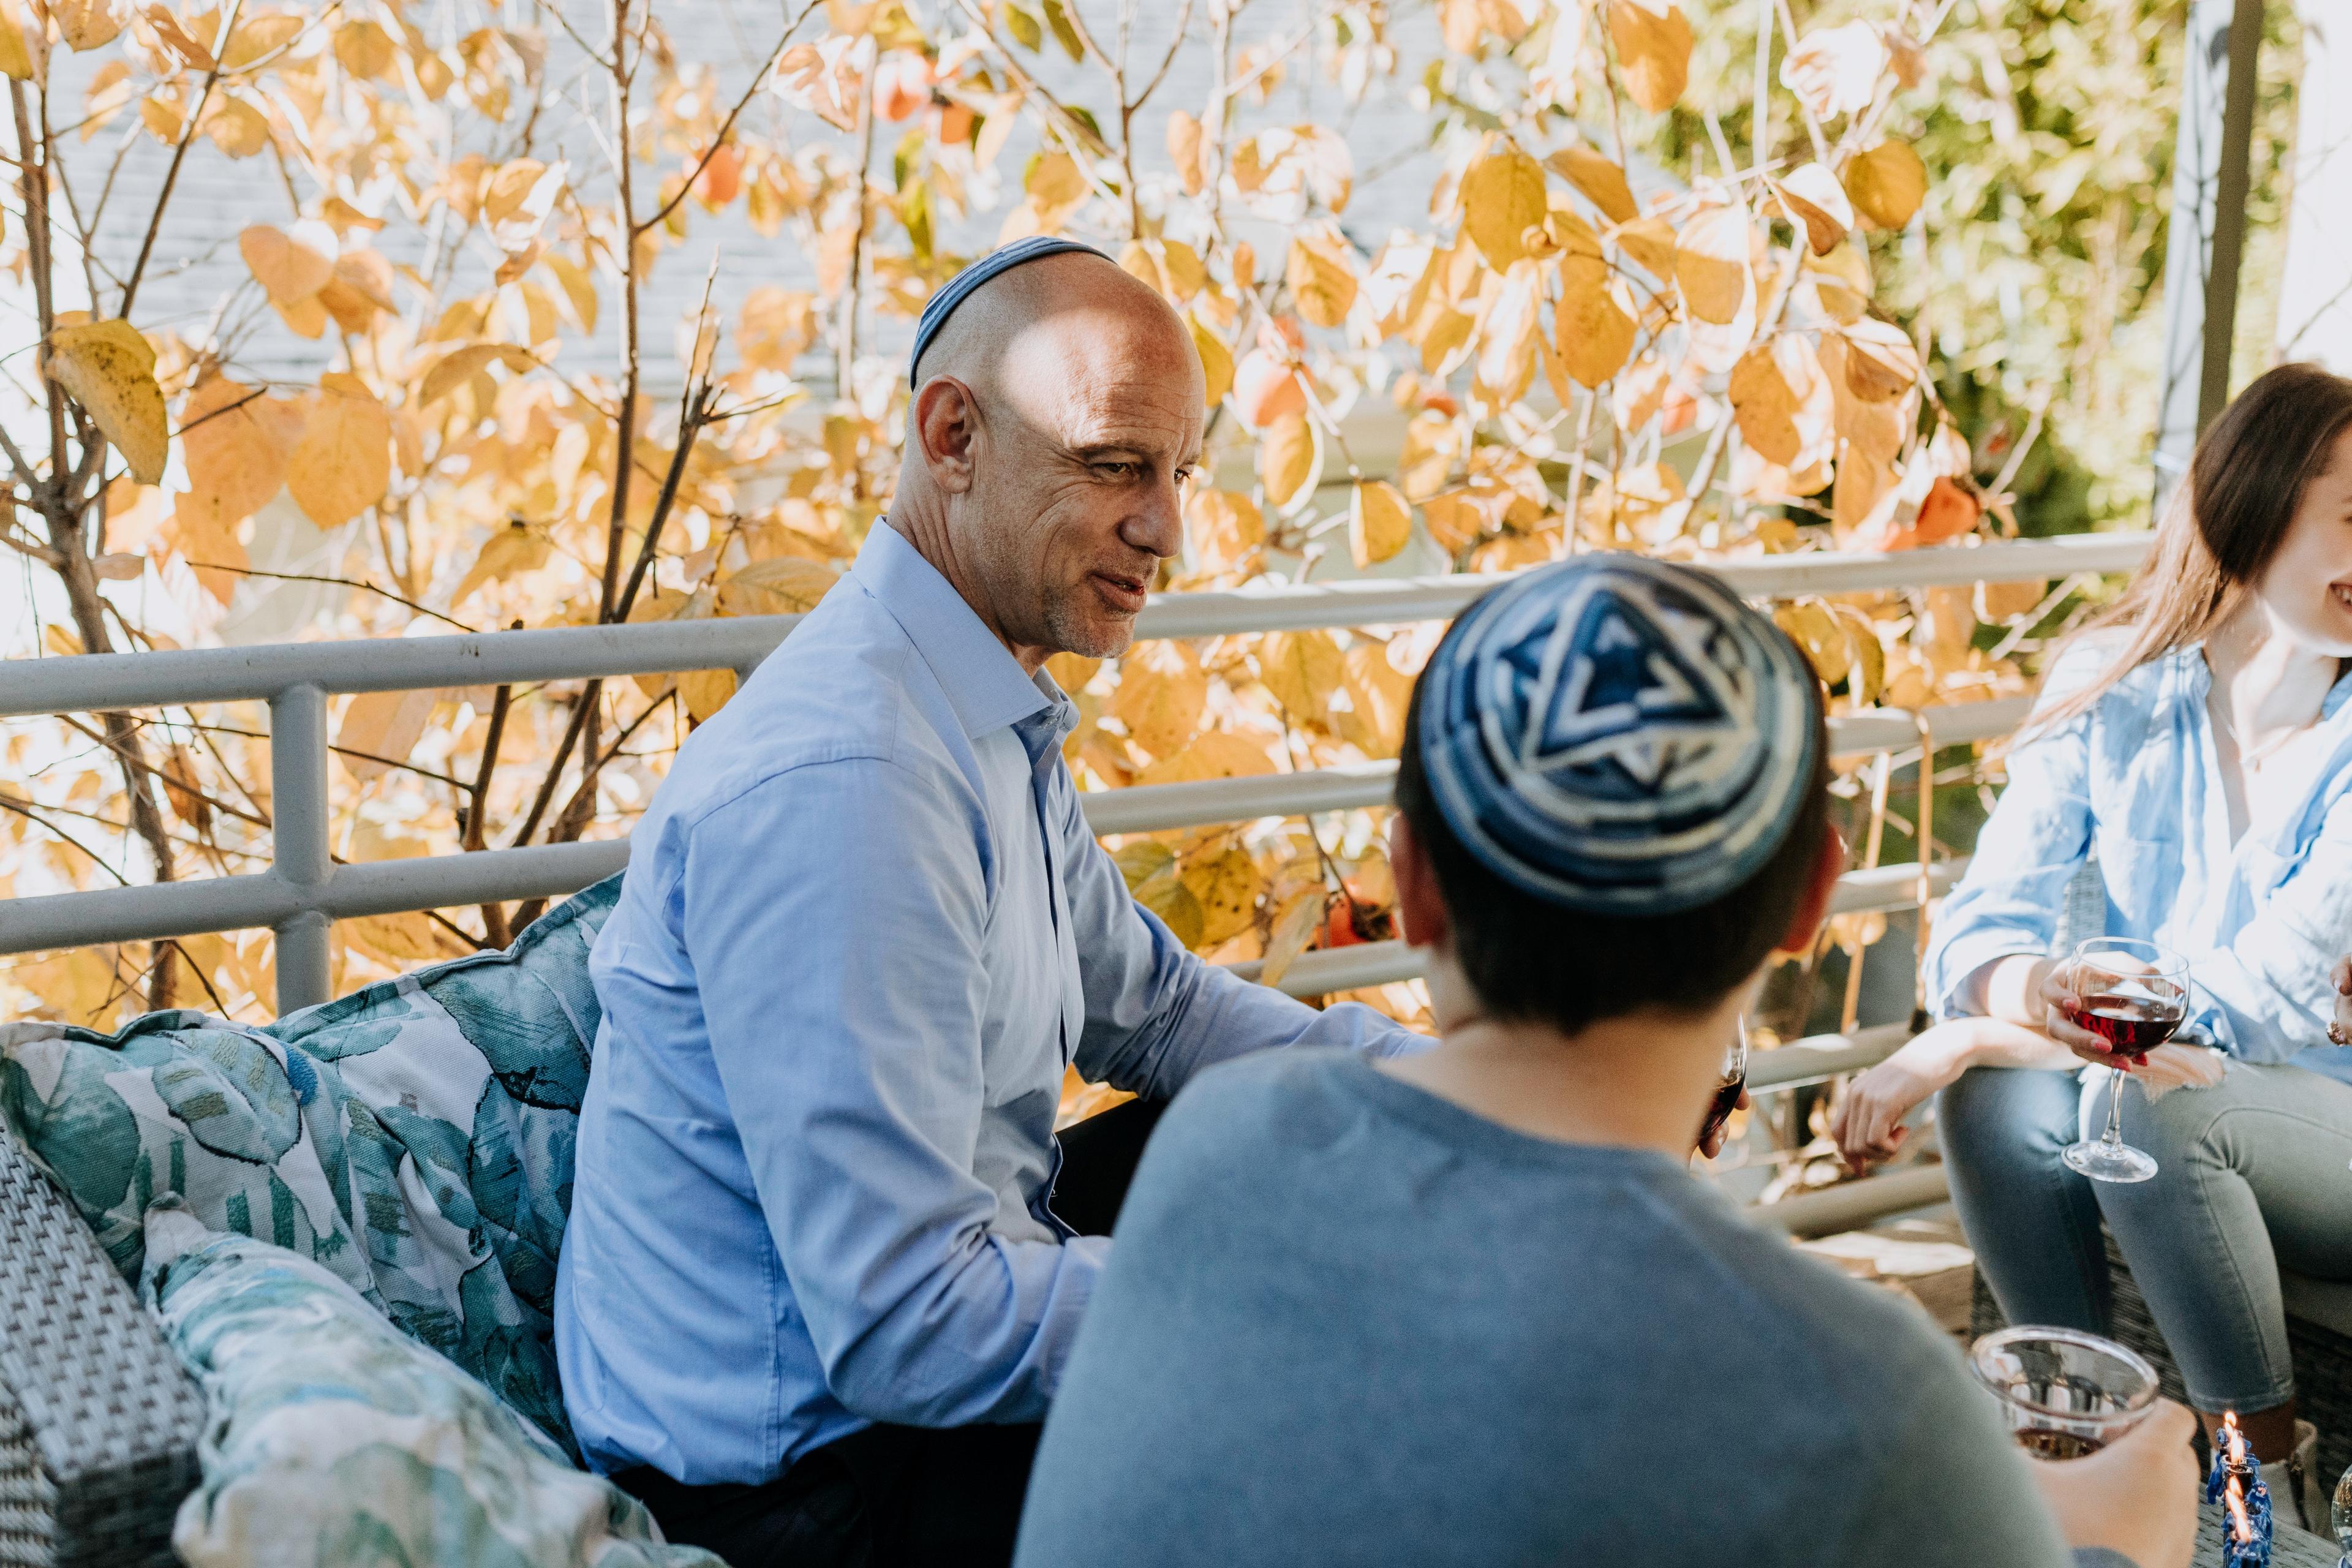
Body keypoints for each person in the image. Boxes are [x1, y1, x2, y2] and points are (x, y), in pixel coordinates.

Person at [1014, 553, 2199, 1568]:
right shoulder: (1858, 1394)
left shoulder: (1220, 1144)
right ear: (1811, 901)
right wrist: (2127, 1531)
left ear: (1412, 885)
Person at [551, 237, 1429, 1567]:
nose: (1163, 528)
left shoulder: (970, 704)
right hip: (811, 1493)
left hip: (902, 1373)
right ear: (953, 434)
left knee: (1325, 1142)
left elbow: (1161, 1011)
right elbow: (911, 1320)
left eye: (1177, 472)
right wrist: (1294, 1304)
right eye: (1114, 463)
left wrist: (1480, 1096)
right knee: (1362, 1389)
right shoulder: (855, 780)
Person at [1833, 361, 2352, 1528]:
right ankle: (2070, 1444)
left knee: (2140, 1108)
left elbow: (2265, 999)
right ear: (2254, 501)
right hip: (2167, 1078)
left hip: (2330, 1121)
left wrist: (1977, 1032)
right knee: (1996, 1109)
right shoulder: (2111, 684)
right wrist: (2016, 994)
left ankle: (2261, 1496)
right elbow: (1985, 921)